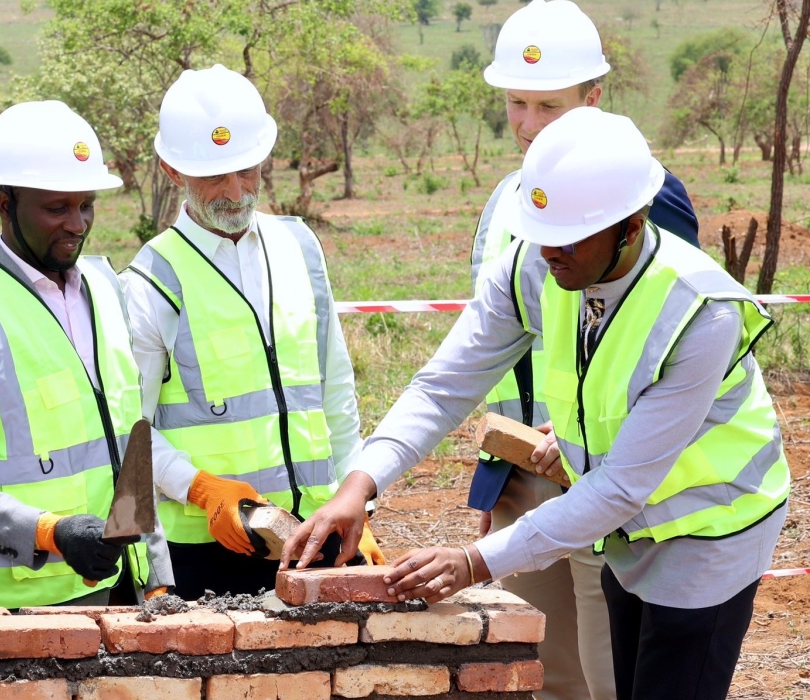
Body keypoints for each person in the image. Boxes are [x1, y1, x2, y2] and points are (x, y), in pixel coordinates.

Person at [285, 107, 789, 700]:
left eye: (570, 236)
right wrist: (359, 485)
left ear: (631, 226)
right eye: (542, 232)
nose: (550, 253)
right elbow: (443, 385)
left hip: (710, 527)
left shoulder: (700, 314)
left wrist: (473, 562)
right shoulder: (538, 263)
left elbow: (622, 485)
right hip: (627, 526)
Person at [467, 2, 701, 697]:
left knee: (611, 676)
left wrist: (577, 435)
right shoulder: (505, 201)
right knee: (545, 672)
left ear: (594, 98)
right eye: (516, 103)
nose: (530, 125)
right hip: (523, 480)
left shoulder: (646, 197)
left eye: (550, 106)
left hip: (606, 482)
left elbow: (674, 346)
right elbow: (496, 350)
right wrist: (495, 479)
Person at [122, 65, 382, 601]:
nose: (236, 191)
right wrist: (201, 490)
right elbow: (131, 434)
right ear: (172, 171)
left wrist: (359, 502)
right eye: (214, 177)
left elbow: (333, 390)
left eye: (247, 170)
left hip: (317, 535)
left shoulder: (301, 246)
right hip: (206, 554)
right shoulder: (150, 282)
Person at [0, 101, 174, 609]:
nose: (77, 224)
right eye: (57, 208)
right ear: (5, 202)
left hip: (118, 592)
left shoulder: (105, 287)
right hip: (14, 612)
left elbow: (129, 447)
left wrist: (155, 577)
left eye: (86, 205)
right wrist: (51, 532)